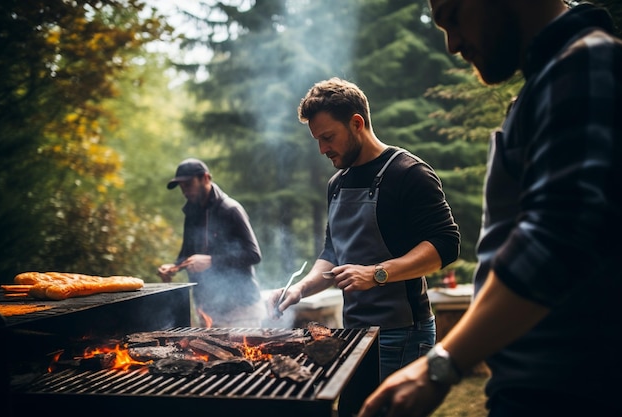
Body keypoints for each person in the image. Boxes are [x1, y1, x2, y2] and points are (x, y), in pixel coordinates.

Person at [358, 1, 622, 416]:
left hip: (576, 391)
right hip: (539, 387)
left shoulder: (586, 62)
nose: (451, 44)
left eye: (454, 16)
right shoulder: (548, 82)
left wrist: (439, 366)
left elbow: (558, 239)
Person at [268, 77, 460, 382]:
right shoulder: (338, 183)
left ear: (357, 123)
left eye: (328, 137)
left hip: (403, 334)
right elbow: (332, 254)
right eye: (317, 139)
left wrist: (376, 274)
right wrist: (299, 289)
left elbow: (445, 245)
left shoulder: (409, 173)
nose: (322, 149)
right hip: (354, 334)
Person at [158, 158, 265, 328]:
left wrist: (211, 261)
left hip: (240, 310)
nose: (184, 191)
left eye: (188, 184)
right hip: (207, 309)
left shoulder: (230, 209)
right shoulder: (191, 213)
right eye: (181, 186)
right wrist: (173, 267)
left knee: (242, 355)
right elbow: (187, 253)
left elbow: (253, 255)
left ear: (205, 178)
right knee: (210, 355)